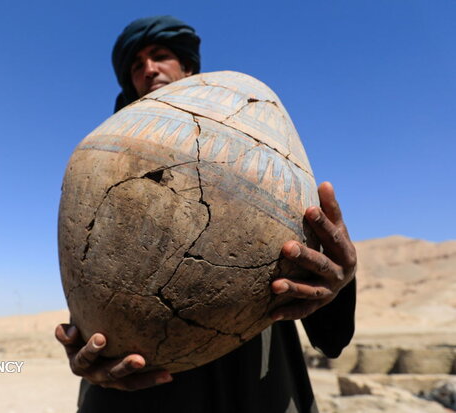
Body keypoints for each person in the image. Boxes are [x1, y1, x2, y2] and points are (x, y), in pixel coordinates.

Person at [55, 15, 357, 413]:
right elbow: (98, 308)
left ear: (190, 69)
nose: (148, 69)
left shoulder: (259, 143)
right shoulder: (102, 164)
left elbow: (331, 337)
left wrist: (338, 283)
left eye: (160, 56)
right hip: (137, 394)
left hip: (254, 385)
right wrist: (86, 352)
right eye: (136, 64)